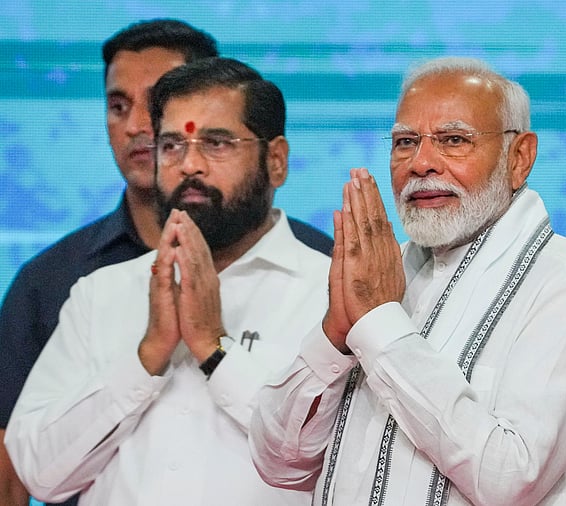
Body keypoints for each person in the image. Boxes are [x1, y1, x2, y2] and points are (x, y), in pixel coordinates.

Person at [249, 57, 566, 505]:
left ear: (519, 157)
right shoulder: (381, 275)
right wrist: (336, 334)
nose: (422, 163)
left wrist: (379, 327)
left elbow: (509, 478)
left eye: (454, 140)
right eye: (405, 142)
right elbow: (279, 463)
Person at [0, 19, 330, 506]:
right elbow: (39, 475)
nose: (189, 165)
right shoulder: (97, 291)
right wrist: (146, 358)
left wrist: (213, 350)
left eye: (215, 143)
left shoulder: (330, 290)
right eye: (172, 145)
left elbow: (326, 458)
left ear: (276, 161)